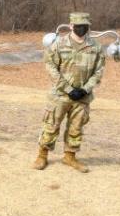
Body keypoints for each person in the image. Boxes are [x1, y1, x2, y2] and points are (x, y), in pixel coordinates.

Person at [32, 12, 105, 173]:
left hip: (83, 97)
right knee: (51, 125)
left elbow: (99, 71)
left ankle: (70, 156)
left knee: (76, 127)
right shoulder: (58, 44)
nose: (81, 29)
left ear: (88, 27)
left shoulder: (96, 47)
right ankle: (42, 155)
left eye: (84, 26)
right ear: (71, 26)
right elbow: (51, 67)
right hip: (60, 95)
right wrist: (69, 89)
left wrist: (85, 89)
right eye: (78, 26)